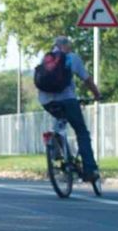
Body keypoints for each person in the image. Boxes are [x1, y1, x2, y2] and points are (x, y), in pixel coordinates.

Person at [37, 35, 101, 180]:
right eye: (69, 45)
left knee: (60, 121)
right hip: (67, 100)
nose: (70, 47)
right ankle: (90, 170)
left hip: (47, 101)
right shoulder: (72, 58)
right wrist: (97, 94)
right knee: (82, 132)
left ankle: (56, 146)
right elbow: (87, 79)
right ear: (65, 46)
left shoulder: (45, 59)